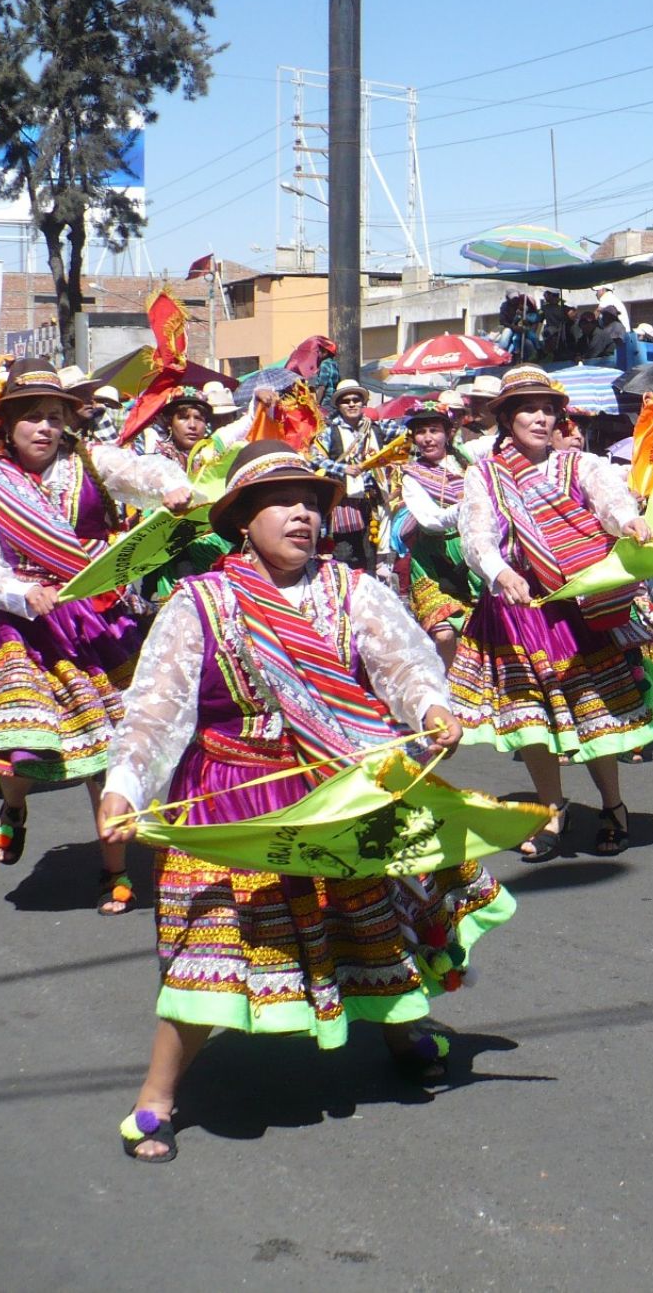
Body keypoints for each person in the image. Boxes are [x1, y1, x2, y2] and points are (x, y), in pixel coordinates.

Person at [97, 440, 507, 1163]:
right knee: (211, 941)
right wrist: (124, 787)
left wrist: (432, 711)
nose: (303, 515)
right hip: (233, 794)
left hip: (341, 783)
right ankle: (157, 1095)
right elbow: (157, 708)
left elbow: (405, 664)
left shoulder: (353, 590)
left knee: (369, 919)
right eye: (282, 501)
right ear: (242, 520)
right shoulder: (202, 602)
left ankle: (402, 1029)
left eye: (313, 503)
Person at [0, 357, 192, 911]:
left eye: (54, 417)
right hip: (26, 627)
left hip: (98, 621)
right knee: (19, 747)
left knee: (110, 750)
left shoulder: (89, 462)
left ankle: (115, 869)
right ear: (7, 426)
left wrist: (174, 487)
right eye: (31, 417)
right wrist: (22, 594)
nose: (44, 427)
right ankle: (15, 806)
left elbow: (147, 473)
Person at [450, 366, 653, 860]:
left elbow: (611, 501)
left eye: (548, 409)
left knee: (594, 710)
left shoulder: (580, 464)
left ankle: (613, 806)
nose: (541, 418)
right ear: (506, 418)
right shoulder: (484, 475)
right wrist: (500, 573)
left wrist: (630, 522)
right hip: (517, 608)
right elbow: (476, 536)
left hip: (575, 605)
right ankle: (552, 810)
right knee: (531, 720)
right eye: (528, 408)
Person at [396, 402, 476, 669]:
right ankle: (447, 684)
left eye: (434, 430)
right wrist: (470, 507)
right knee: (443, 633)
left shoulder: (467, 458)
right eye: (421, 432)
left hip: (474, 556)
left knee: (479, 631)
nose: (427, 438)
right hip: (433, 562)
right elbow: (430, 521)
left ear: (448, 433)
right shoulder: (412, 476)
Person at [316, 380, 387, 570]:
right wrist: (342, 468)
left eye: (356, 399)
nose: (352, 404)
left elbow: (405, 434)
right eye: (346, 401)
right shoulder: (329, 431)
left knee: (370, 553)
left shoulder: (375, 428)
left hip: (370, 501)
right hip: (343, 502)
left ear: (363, 403)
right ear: (339, 405)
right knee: (344, 553)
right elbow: (313, 457)